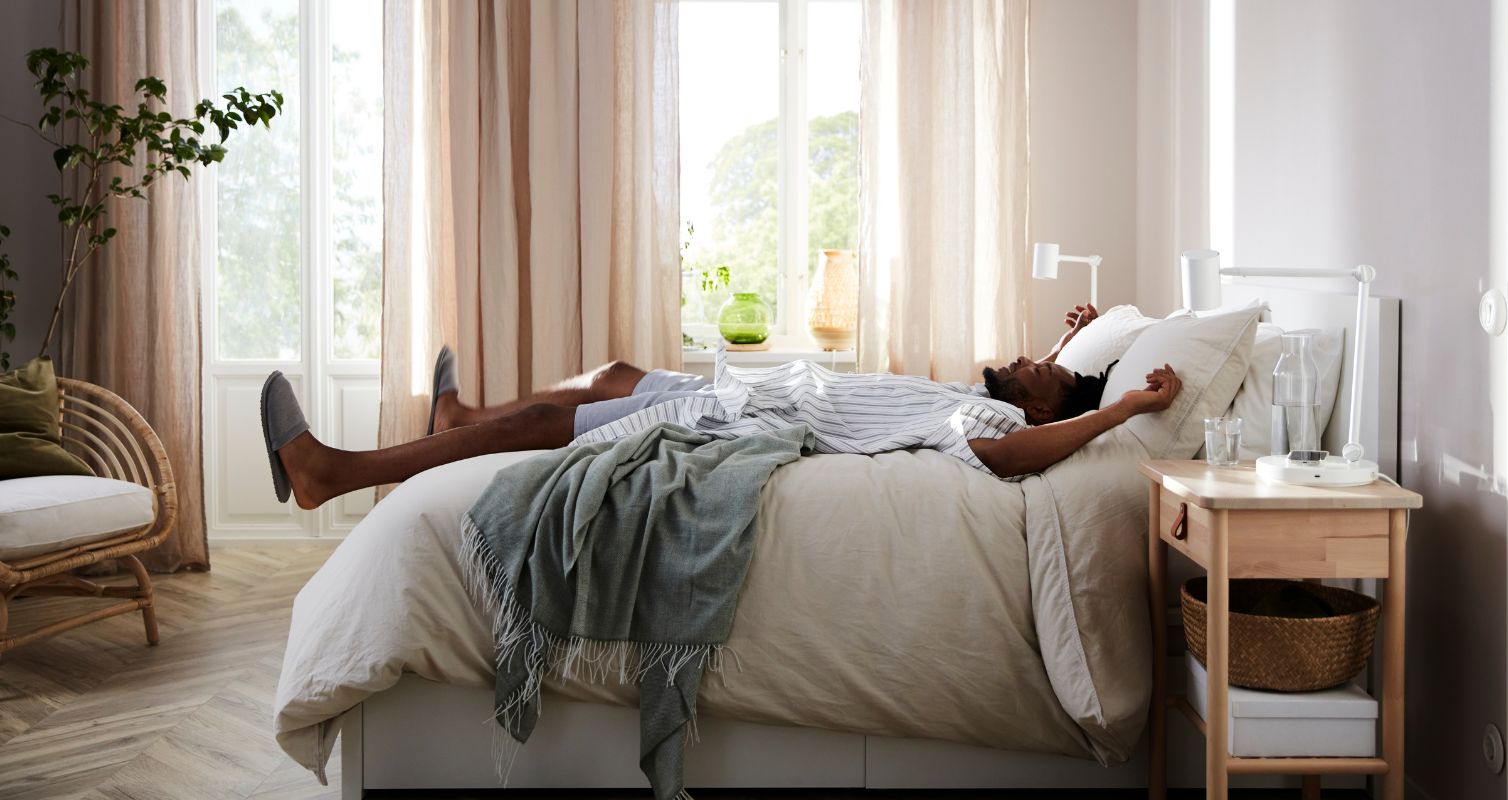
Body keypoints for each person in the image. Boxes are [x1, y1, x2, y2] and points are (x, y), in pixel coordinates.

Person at [260, 302, 1181, 509]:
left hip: (754, 420)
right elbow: (1049, 379)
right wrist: (1080, 344)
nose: (1023, 360)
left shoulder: (1007, 425)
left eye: (1042, 364)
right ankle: (461, 424)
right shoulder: (998, 391)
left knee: (553, 428)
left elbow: (1028, 444)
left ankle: (333, 474)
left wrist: (1124, 404)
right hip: (755, 387)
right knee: (614, 371)